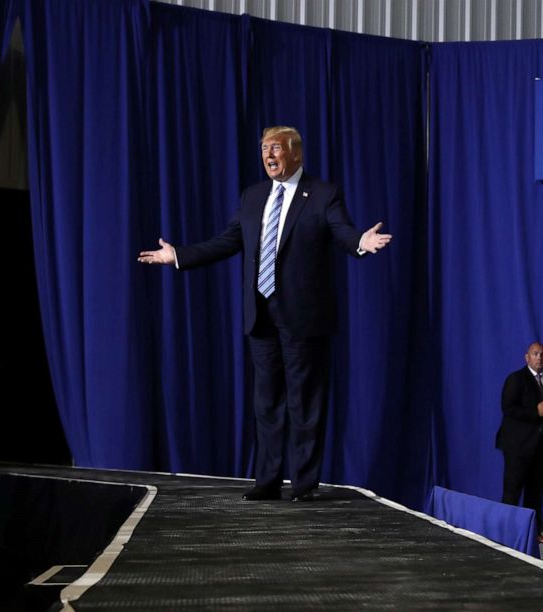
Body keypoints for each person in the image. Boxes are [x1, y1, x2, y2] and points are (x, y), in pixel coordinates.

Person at [138, 126, 391, 502]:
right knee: (266, 403)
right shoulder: (254, 196)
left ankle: (304, 486)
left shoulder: (323, 194)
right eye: (263, 149)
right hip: (261, 316)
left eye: (275, 148)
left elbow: (341, 231)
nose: (268, 155)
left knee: (304, 403)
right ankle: (268, 481)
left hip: (304, 318)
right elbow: (228, 241)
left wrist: (360, 242)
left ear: (296, 154)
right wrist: (179, 255)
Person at [496, 342, 543, 544]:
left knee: (535, 494)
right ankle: (505, 534)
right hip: (517, 447)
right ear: (527, 357)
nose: (539, 358)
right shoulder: (516, 379)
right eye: (535, 354)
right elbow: (508, 408)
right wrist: (534, 412)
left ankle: (532, 533)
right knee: (512, 492)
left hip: (542, 447)